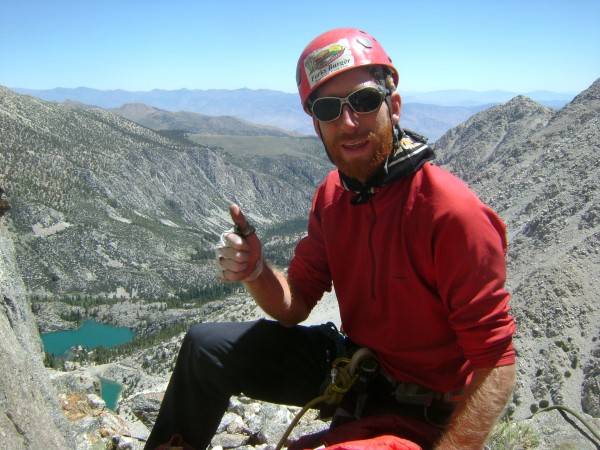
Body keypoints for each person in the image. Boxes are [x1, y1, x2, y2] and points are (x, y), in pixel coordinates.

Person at [145, 28, 516, 450]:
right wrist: (257, 271)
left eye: (364, 101)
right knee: (203, 346)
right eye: (328, 108)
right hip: (357, 371)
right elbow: (295, 305)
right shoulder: (333, 196)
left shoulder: (450, 212)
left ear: (393, 107)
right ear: (315, 123)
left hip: (423, 411)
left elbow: (496, 362)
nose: (348, 122)